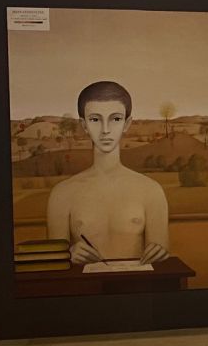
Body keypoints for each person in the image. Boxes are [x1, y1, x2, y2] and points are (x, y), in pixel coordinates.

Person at [46, 81, 170, 265]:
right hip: (84, 284)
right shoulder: (62, 194)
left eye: (115, 119)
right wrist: (68, 255)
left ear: (127, 123)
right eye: (95, 119)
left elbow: (161, 259)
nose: (105, 130)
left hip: (136, 283)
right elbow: (52, 265)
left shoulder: (152, 191)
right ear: (84, 125)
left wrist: (159, 253)